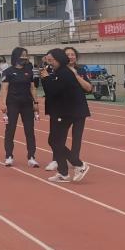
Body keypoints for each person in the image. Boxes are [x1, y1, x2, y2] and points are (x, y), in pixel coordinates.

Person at [40, 48, 91, 183]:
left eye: (51, 60)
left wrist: (46, 78)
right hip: (62, 111)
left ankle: (79, 164)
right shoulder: (58, 72)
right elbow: (51, 90)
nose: (49, 63)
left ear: (58, 59)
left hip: (68, 112)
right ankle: (63, 172)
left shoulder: (64, 73)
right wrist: (46, 77)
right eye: (48, 60)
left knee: (56, 141)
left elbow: (53, 91)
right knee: (55, 141)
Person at [0, 46, 40, 168]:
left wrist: (36, 103)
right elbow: (4, 88)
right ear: (16, 56)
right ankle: (9, 156)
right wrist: (3, 103)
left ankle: (31, 157)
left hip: (27, 104)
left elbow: (32, 88)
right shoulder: (8, 71)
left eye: (26, 55)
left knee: (30, 131)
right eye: (23, 55)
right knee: (10, 130)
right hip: (12, 104)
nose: (25, 57)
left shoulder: (29, 71)